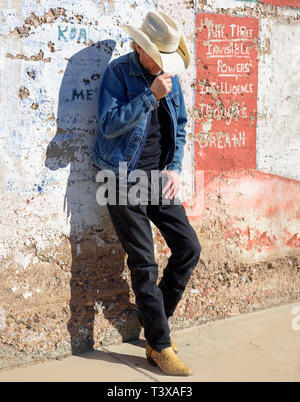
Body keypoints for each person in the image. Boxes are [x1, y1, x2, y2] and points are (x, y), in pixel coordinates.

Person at [92, 10, 201, 376]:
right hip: (120, 178)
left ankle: (158, 323)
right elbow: (108, 126)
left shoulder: (168, 76)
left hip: (157, 177)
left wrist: (175, 167)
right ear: (138, 46)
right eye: (156, 56)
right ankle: (159, 345)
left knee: (188, 247)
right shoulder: (119, 74)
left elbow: (181, 125)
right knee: (144, 261)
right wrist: (150, 97)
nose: (162, 65)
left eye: (165, 59)